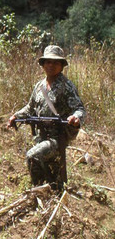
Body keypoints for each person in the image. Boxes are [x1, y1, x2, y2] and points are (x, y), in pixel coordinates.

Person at [7, 45, 86, 190]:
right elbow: (30, 108)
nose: (51, 65)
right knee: (52, 172)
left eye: (56, 62)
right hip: (40, 136)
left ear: (62, 66)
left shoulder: (67, 86)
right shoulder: (39, 86)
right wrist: (15, 116)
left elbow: (79, 108)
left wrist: (76, 118)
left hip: (57, 138)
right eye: (48, 61)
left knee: (33, 156)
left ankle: (40, 191)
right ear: (43, 64)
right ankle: (51, 191)